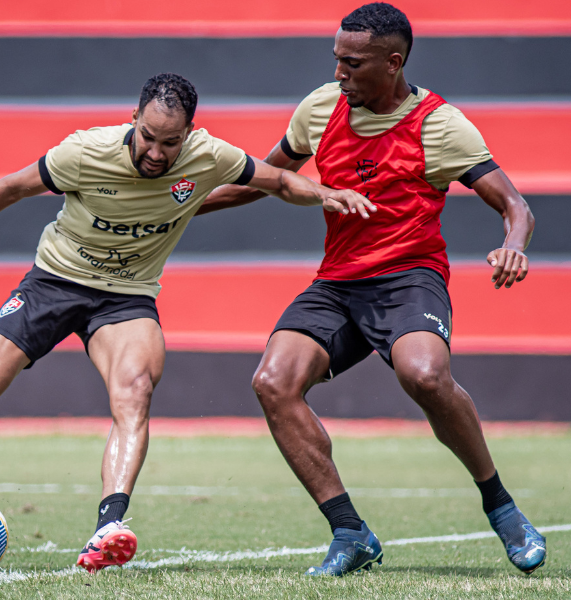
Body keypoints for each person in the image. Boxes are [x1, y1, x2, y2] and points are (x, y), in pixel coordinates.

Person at [0, 73, 369, 573]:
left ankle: (108, 525)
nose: (156, 152)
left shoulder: (210, 155)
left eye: (170, 142)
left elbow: (280, 179)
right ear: (133, 120)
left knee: (134, 389)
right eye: (148, 137)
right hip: (54, 282)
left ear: (190, 133)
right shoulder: (85, 151)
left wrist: (323, 194)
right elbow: (9, 188)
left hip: (127, 297)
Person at [200, 3, 546, 576]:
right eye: (336, 60)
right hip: (337, 283)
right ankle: (349, 531)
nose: (339, 74)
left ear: (393, 63)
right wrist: (173, 208)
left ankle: (501, 506)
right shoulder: (319, 108)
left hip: (408, 279)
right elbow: (263, 180)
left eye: (352, 64)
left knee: (425, 375)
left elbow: (516, 206)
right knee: (272, 382)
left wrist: (514, 243)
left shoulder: (441, 125)